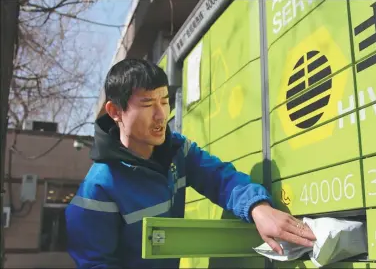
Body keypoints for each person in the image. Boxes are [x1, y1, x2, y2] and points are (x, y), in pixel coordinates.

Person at [65, 58, 315, 268]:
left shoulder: (177, 150)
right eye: (148, 104)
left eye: (164, 101)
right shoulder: (97, 191)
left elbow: (220, 178)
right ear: (115, 111)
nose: (162, 114)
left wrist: (259, 209)